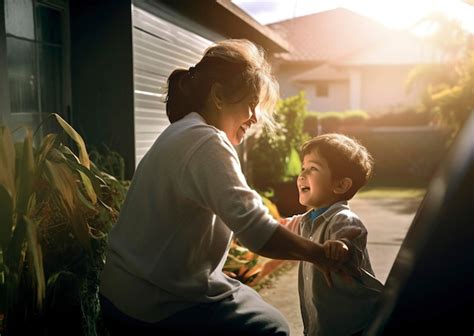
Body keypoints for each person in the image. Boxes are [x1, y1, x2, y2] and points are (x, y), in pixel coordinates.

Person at [99, 39, 357, 336]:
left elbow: (238, 212)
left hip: (121, 291)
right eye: (251, 104)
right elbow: (256, 232)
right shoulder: (206, 140)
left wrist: (283, 226)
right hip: (156, 303)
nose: (255, 117)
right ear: (219, 96)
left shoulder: (181, 132)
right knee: (271, 326)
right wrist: (320, 254)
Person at [282, 133, 384, 336]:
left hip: (353, 326)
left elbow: (347, 236)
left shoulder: (342, 218)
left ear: (340, 185)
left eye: (313, 169)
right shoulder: (306, 220)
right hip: (323, 325)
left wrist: (340, 244)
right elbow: (277, 228)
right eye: (303, 168)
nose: (301, 175)